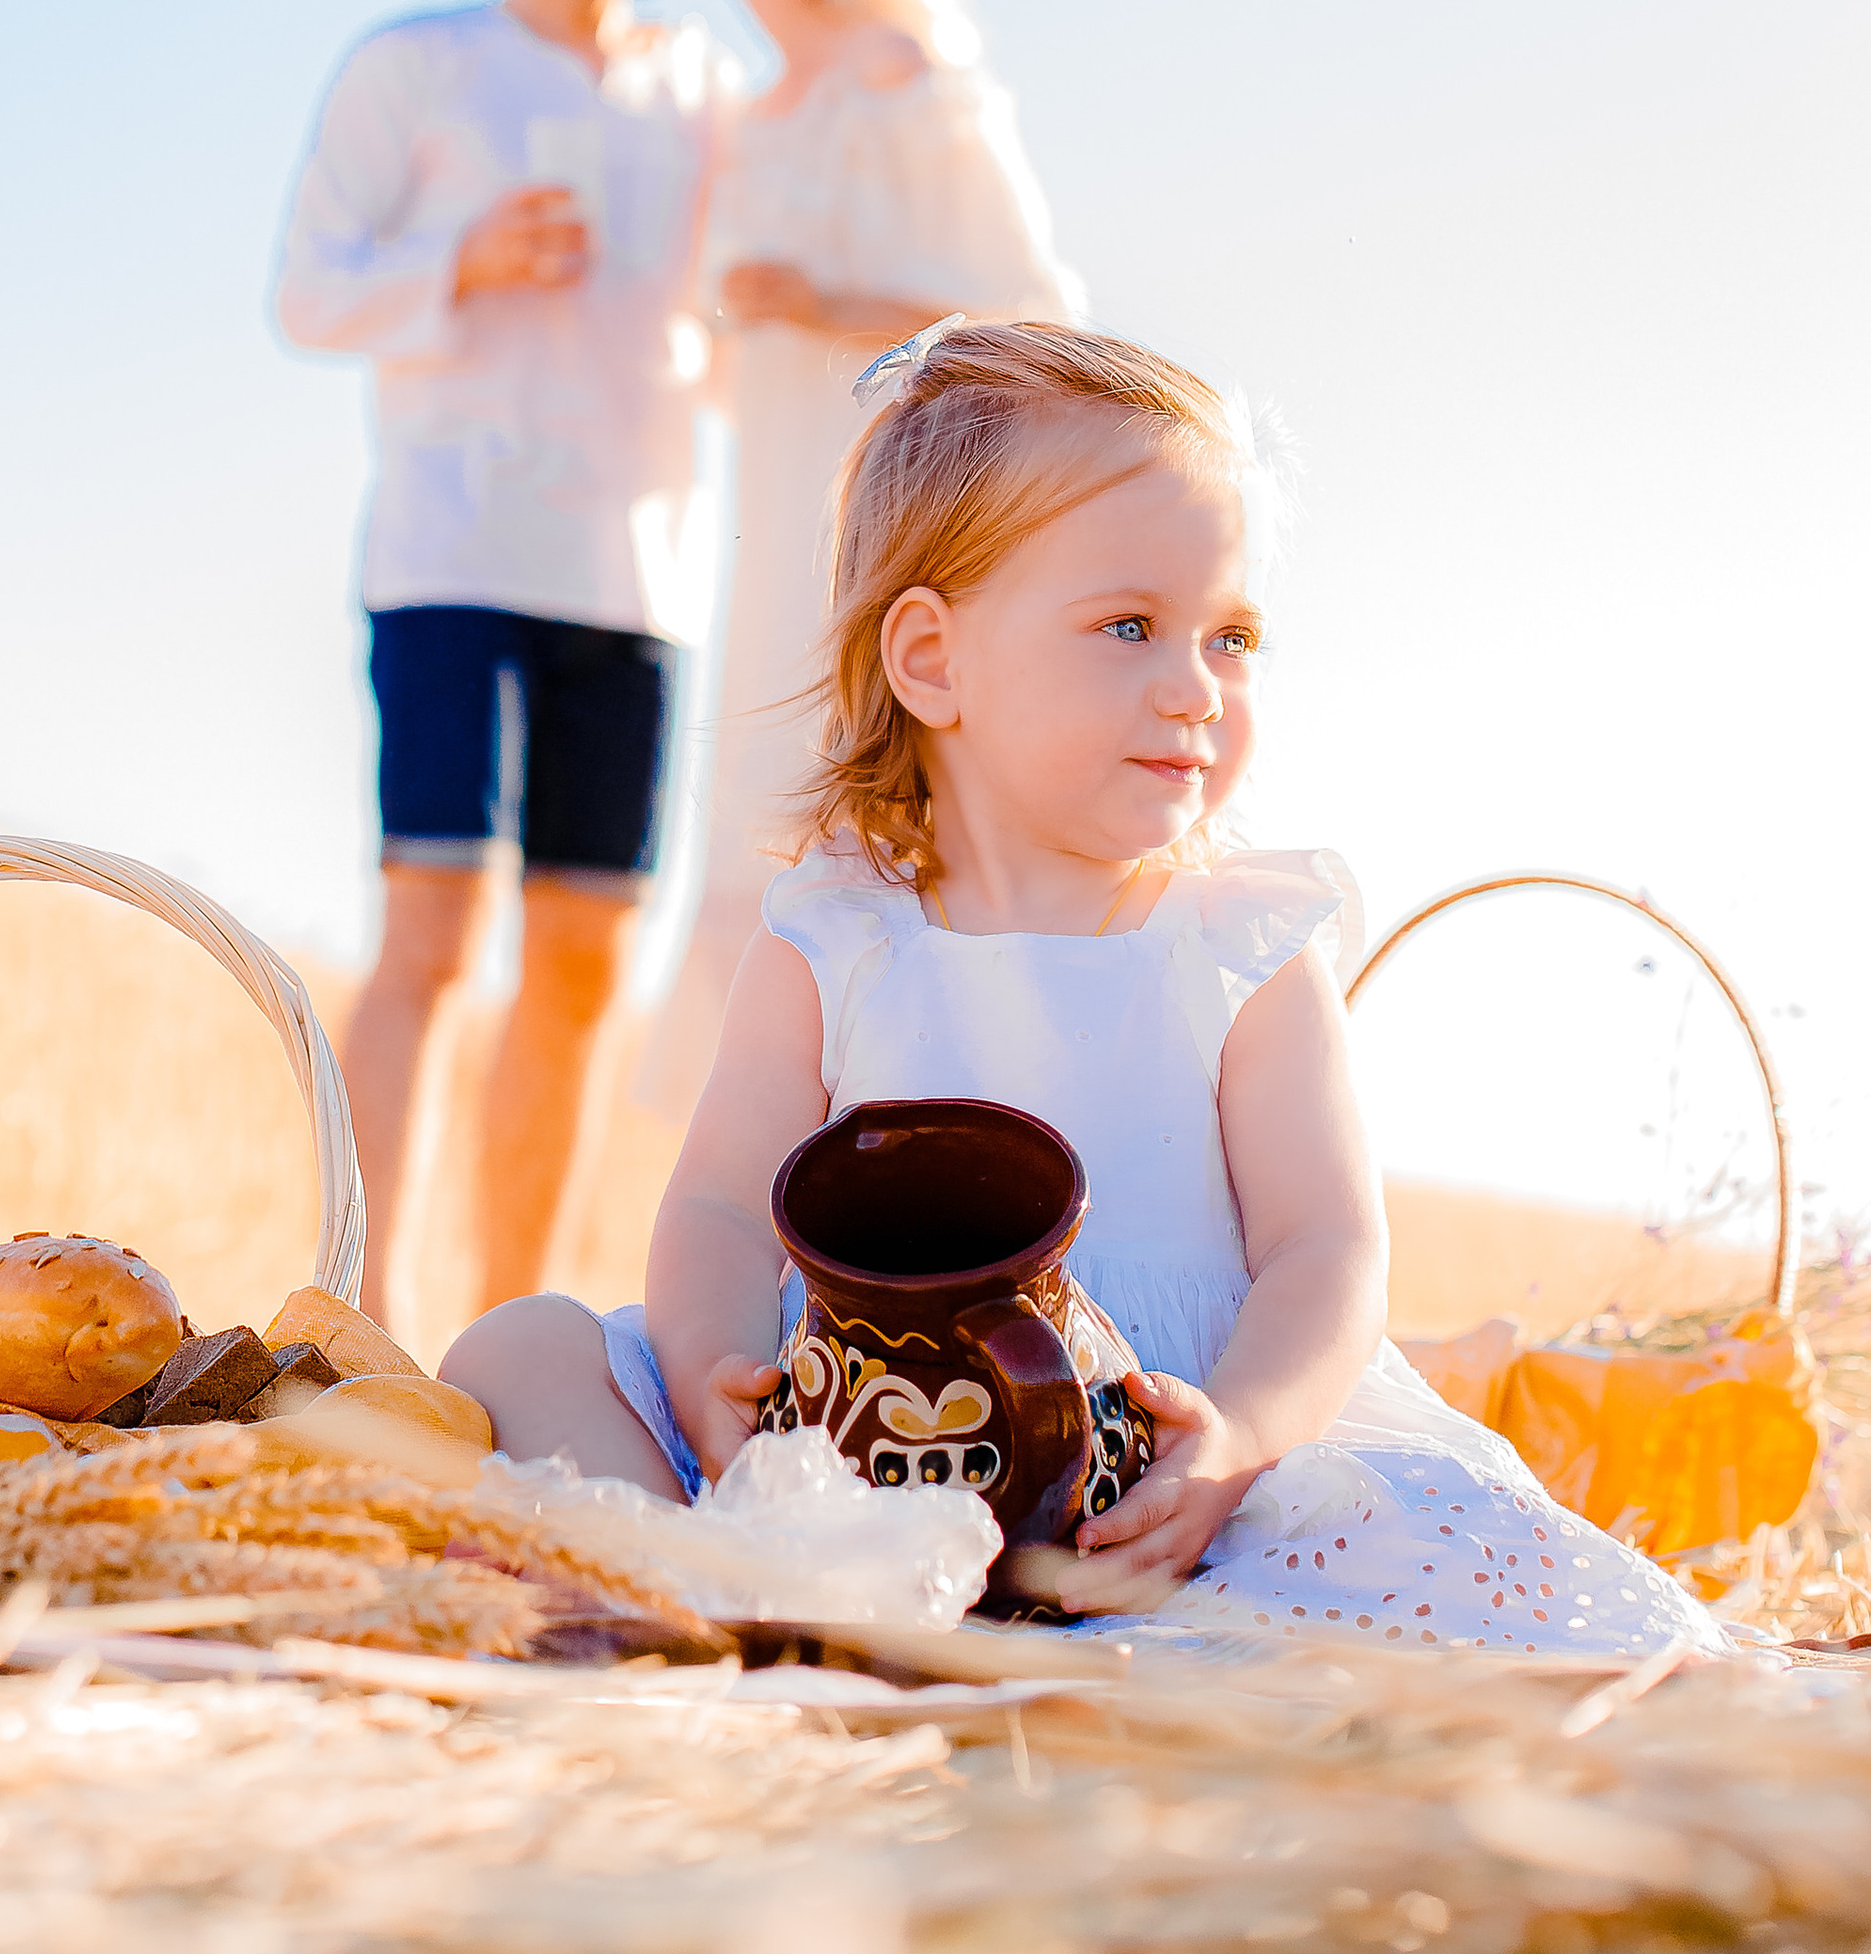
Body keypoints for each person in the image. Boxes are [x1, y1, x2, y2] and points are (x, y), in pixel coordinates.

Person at [447, 321, 1729, 1655]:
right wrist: (720, 1384)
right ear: (934, 661)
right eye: (1130, 627)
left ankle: (836, 1629)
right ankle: (709, 1600)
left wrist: (1241, 1437)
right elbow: (718, 1199)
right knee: (520, 1349)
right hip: (857, 1436)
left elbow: (1327, 1247)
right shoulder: (839, 934)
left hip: (1160, 1470)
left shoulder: (1242, 947)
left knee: (1434, 1550)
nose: (1195, 689)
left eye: (1232, 638)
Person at [275, 0, 730, 1334]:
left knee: (590, 968)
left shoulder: (704, 92)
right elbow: (304, 289)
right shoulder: (421, 69)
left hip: (639, 574)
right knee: (435, 938)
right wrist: (456, 258)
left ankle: (512, 1332)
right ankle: (368, 1321)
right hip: (454, 557)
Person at [639, 0, 1082, 1118]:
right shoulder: (750, 119)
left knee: (872, 841)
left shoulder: (914, 81)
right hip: (769, 534)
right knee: (761, 828)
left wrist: (829, 303)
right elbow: (734, 363)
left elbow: (1040, 315)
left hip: (890, 542)